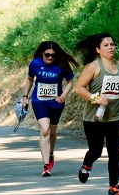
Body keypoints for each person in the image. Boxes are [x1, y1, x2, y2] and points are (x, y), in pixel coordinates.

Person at [73, 33, 119, 195]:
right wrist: (96, 97)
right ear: (98, 49)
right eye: (106, 45)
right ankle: (87, 165)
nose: (110, 47)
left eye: (112, 44)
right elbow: (79, 88)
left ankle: (113, 187)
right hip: (94, 117)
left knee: (114, 152)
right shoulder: (93, 67)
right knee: (96, 150)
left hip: (115, 116)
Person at [21, 41, 77, 177]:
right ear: (42, 53)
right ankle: (46, 165)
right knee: (44, 130)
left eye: (53, 55)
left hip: (56, 102)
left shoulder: (61, 64)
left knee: (52, 131)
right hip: (39, 101)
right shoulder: (35, 64)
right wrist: (25, 96)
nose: (50, 58)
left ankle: (51, 153)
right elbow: (29, 79)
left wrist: (63, 95)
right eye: (47, 55)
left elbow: (70, 81)